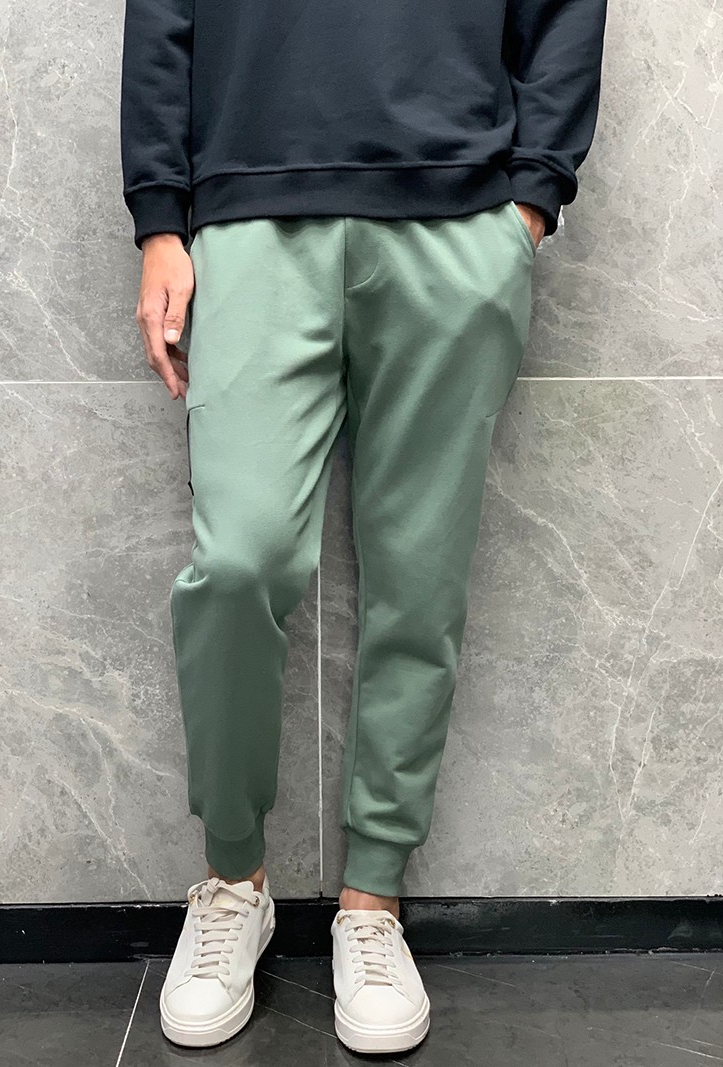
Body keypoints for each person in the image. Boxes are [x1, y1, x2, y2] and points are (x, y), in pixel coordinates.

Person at [120, 0, 607, 1053]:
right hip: (250, 213)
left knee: (418, 581)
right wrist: (159, 217)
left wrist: (531, 200)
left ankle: (372, 901)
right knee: (239, 561)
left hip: (457, 219)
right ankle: (234, 879)